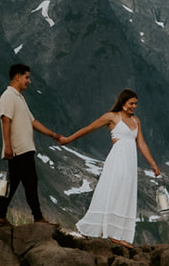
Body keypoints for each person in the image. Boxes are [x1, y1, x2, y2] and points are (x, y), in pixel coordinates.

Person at [59, 88, 160, 246]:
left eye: (136, 104)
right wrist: (68, 139)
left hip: (131, 161)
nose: (134, 106)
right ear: (123, 102)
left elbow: (141, 143)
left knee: (126, 192)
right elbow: (89, 128)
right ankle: (102, 231)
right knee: (115, 190)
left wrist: (153, 163)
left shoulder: (136, 121)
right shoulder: (112, 117)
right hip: (118, 158)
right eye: (131, 103)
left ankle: (118, 234)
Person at [0, 63, 65, 226]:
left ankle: (0, 216)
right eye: (27, 77)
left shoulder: (19, 98)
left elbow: (32, 121)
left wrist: (52, 134)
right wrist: (8, 146)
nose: (29, 81)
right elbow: (6, 120)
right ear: (17, 77)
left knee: (13, 184)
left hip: (23, 148)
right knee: (31, 183)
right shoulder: (8, 96)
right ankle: (38, 218)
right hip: (19, 149)